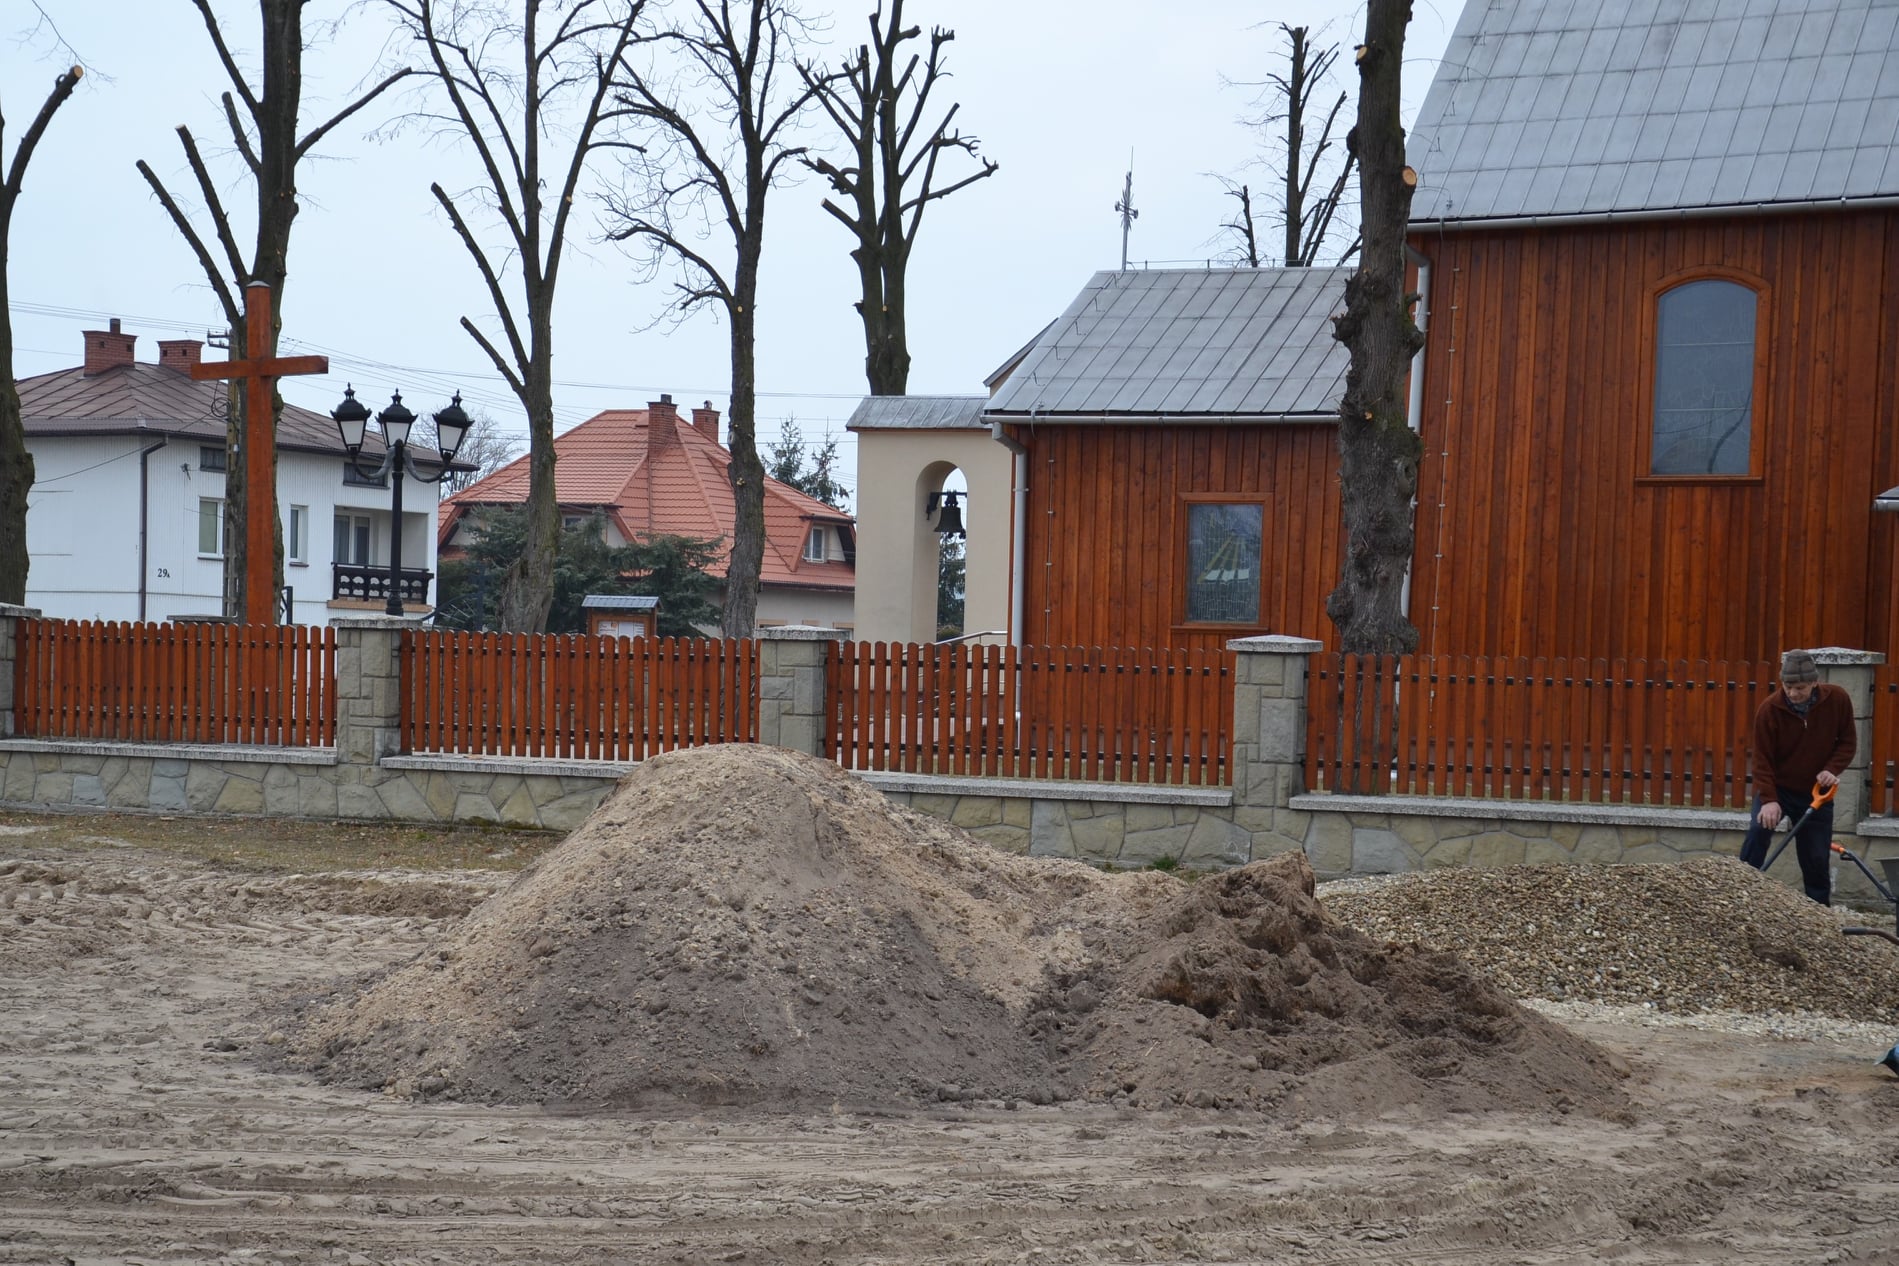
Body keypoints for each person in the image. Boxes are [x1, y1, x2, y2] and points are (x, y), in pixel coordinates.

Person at [1738, 649, 1857, 905]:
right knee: (1758, 832)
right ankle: (1740, 895)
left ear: (1815, 682)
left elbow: (1847, 742)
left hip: (1816, 791)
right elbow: (1761, 762)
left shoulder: (1837, 700)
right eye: (1788, 686)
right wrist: (1769, 800)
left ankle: (1819, 913)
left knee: (1815, 856)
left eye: (1800, 687)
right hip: (1778, 788)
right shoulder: (1769, 710)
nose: (1793, 693)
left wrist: (1831, 769)